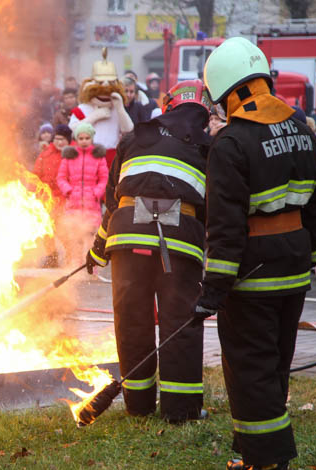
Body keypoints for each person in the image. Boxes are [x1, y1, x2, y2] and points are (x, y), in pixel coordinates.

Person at [197, 37, 316, 470]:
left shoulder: (231, 142)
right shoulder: (302, 129)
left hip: (252, 276)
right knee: (274, 363)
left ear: (228, 90)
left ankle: (268, 469)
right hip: (294, 268)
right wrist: (310, 257)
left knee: (250, 369)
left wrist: (212, 292)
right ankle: (257, 452)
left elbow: (225, 227)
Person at [86, 80, 211, 424]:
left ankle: (138, 405)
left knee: (132, 321)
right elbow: (216, 206)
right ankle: (181, 411)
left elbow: (114, 199)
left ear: (168, 106)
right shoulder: (208, 146)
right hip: (179, 244)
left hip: (127, 240)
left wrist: (98, 248)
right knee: (179, 323)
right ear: (204, 112)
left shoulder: (135, 137)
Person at [55, 122, 108, 266]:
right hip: (73, 203)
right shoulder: (69, 157)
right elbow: (61, 177)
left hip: (92, 205)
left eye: (87, 138)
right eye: (81, 138)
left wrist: (97, 192)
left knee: (91, 240)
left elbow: (104, 178)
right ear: (76, 139)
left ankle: (91, 268)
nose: (84, 141)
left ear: (92, 138)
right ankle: (75, 267)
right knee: (74, 239)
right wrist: (68, 191)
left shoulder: (98, 157)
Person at [34, 124, 72, 267]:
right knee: (46, 228)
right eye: (57, 139)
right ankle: (51, 256)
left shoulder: (72, 154)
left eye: (63, 139)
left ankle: (71, 255)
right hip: (46, 198)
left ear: (68, 140)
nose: (59, 142)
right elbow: (36, 175)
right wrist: (33, 193)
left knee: (62, 230)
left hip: (64, 198)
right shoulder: (45, 154)